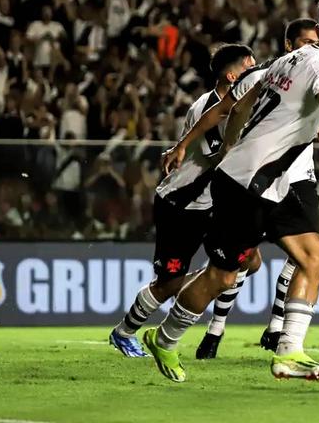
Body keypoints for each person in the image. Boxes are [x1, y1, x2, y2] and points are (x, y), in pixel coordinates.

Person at [145, 0, 319, 382]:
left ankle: (288, 353)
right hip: (247, 184)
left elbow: (240, 104)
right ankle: (164, 338)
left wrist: (233, 145)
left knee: (315, 256)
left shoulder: (287, 60)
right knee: (222, 277)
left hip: (271, 182)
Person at [108, 44, 256, 357]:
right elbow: (225, 156)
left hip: (210, 204)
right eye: (249, 65)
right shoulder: (210, 108)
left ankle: (214, 296)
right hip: (181, 204)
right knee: (169, 284)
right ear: (232, 75)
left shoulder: (239, 106)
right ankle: (124, 332)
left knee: (248, 259)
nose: (256, 70)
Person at [195, 18, 319, 360]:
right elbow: (230, 111)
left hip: (299, 177)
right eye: (306, 41)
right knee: (244, 260)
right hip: (258, 178)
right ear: (289, 44)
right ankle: (214, 330)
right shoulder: (266, 74)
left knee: (308, 255)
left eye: (317, 41)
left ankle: (280, 329)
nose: (313, 47)